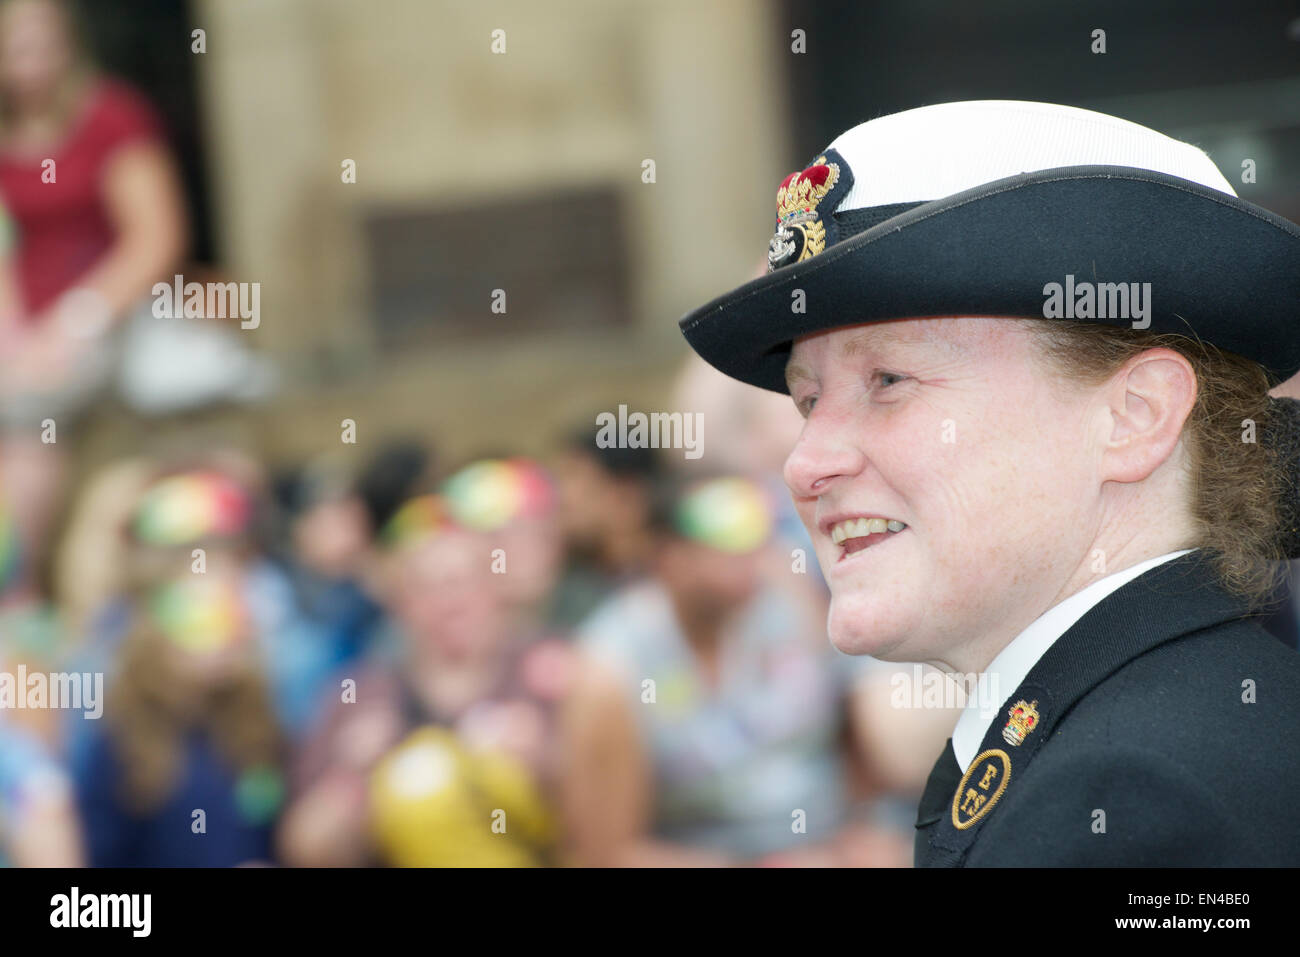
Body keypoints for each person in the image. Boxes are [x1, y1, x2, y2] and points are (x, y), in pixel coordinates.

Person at [676, 100, 1300, 866]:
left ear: (1135, 416)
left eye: (889, 379)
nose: (806, 464)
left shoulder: (1130, 799)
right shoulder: (1152, 731)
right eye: (808, 401)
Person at [561, 473, 907, 866]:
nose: (750, 553)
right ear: (666, 555)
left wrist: (863, 834)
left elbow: (856, 746)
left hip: (833, 845)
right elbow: (604, 855)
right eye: (722, 536)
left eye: (758, 533)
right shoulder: (612, 670)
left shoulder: (789, 606)